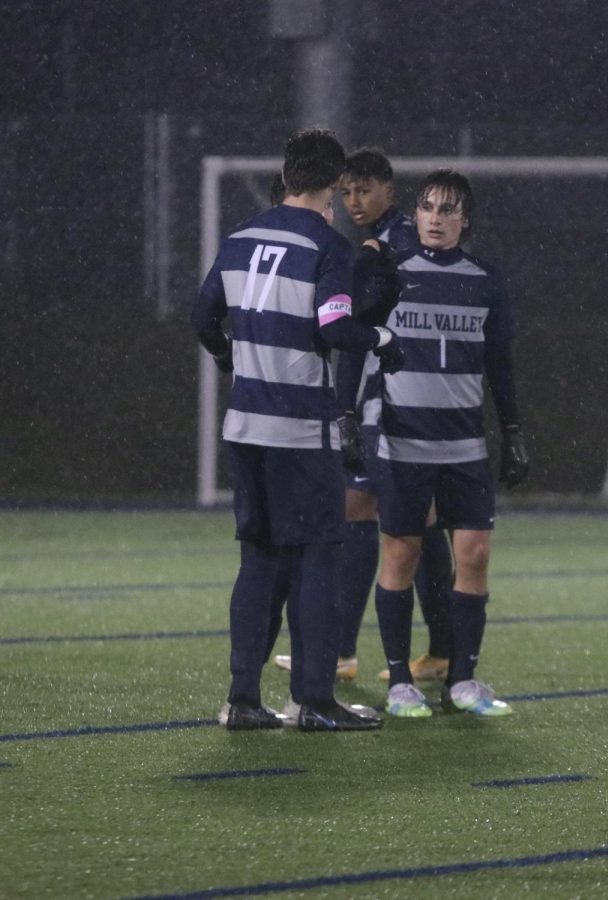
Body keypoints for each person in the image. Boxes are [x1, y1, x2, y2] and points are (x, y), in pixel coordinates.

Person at [191, 127, 404, 732]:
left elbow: (204, 317)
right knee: (318, 556)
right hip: (298, 428)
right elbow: (336, 328)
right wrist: (384, 340)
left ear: (285, 177)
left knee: (258, 558)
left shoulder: (239, 238)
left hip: (244, 424)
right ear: (336, 184)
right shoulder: (329, 246)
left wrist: (232, 357)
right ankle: (312, 699)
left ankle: (241, 699)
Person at [277, 149, 455, 684]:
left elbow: (365, 327)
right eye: (345, 191)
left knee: (403, 520)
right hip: (388, 400)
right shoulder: (379, 242)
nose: (353, 201)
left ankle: (431, 648)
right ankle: (351, 650)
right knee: (371, 511)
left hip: (402, 399)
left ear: (389, 190)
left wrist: (347, 405)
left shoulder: (398, 239)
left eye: (363, 189)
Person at [374, 168, 529, 718]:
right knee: (402, 554)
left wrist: (511, 430)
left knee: (476, 555)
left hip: (464, 445)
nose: (436, 219)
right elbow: (353, 349)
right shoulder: (390, 271)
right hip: (404, 443)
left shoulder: (485, 278)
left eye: (448, 209)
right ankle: (398, 683)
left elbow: (500, 365)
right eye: (428, 208)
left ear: (466, 219)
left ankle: (463, 680)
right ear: (414, 215)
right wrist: (350, 418)